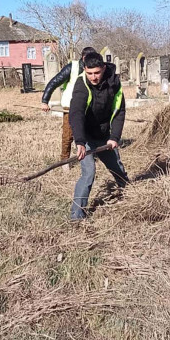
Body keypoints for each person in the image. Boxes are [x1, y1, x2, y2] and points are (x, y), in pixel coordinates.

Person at [68, 51, 130, 220]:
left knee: (117, 169)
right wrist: (80, 141)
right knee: (88, 173)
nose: (93, 77)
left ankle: (131, 196)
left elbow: (119, 111)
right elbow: (76, 113)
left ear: (103, 68)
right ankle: (77, 215)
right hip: (86, 135)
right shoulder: (82, 84)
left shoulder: (114, 82)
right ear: (85, 70)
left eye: (97, 73)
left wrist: (114, 137)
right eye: (89, 73)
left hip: (104, 135)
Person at [41, 47, 94, 161]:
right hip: (71, 107)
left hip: (88, 107)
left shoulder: (94, 69)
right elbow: (54, 82)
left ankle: (88, 157)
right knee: (68, 135)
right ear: (83, 57)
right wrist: (45, 101)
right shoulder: (72, 67)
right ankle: (64, 160)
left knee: (88, 132)